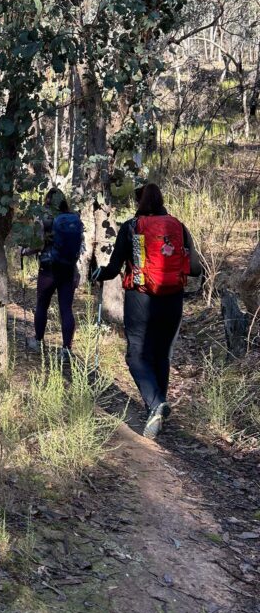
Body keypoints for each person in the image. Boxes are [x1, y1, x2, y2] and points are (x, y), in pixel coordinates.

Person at [93, 182, 201, 440]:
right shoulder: (179, 227)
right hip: (173, 299)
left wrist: (99, 272)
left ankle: (155, 405)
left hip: (140, 298)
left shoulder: (132, 227)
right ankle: (158, 406)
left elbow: (114, 267)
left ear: (138, 203)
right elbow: (195, 269)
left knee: (136, 355)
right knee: (162, 355)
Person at [22, 188, 84, 359]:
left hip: (48, 269)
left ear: (47, 200)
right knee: (66, 309)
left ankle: (38, 341)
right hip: (68, 269)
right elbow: (77, 249)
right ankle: (66, 350)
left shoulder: (43, 218)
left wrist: (25, 251)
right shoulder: (74, 219)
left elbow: (39, 245)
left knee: (42, 304)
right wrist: (76, 270)